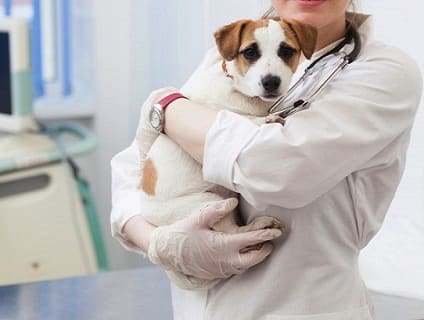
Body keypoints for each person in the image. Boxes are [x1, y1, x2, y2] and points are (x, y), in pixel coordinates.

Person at [111, 0, 422, 319]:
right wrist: (157, 242)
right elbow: (133, 167)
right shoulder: (229, 52)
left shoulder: (385, 71)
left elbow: (276, 171)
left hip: (302, 306)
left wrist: (166, 106)